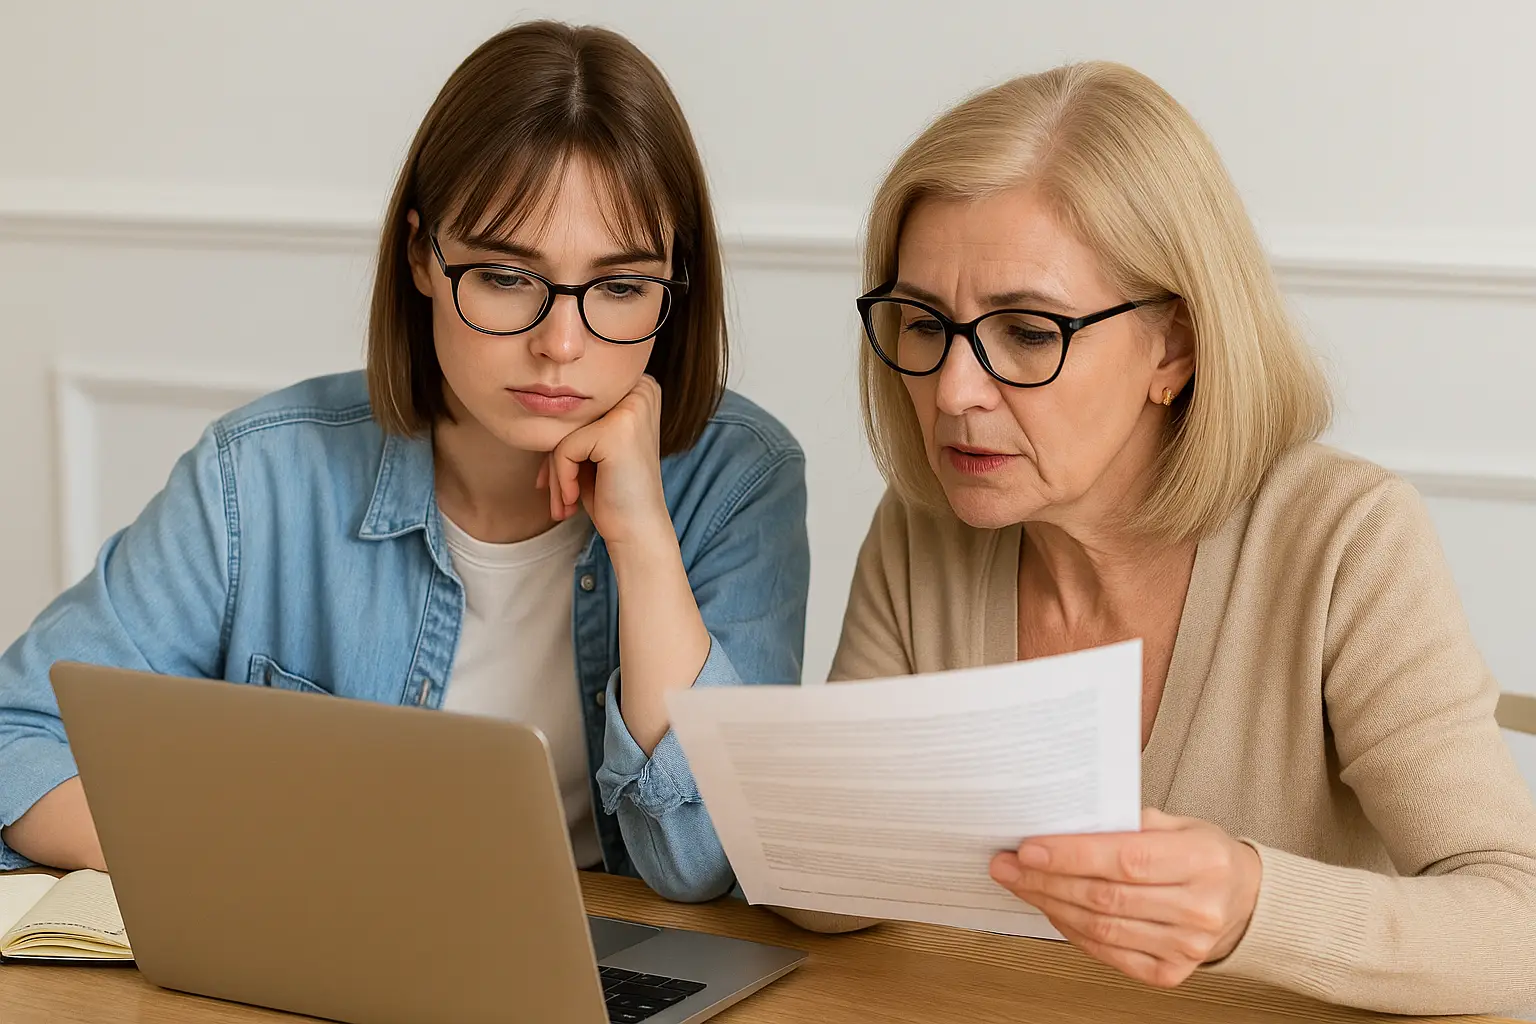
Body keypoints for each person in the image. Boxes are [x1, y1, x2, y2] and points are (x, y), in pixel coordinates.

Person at [0, 21, 809, 904]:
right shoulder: (259, 477)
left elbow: (703, 862)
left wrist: (644, 540)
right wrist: (261, 874)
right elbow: (17, 736)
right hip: (315, 949)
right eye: (506, 276)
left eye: (619, 287)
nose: (561, 344)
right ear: (424, 254)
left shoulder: (741, 480)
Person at [792, 61, 1536, 1016]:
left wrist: (1248, 908)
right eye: (924, 322)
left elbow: (1517, 922)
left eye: (1027, 330)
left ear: (1176, 348)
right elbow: (824, 894)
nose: (953, 391)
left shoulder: (1345, 539)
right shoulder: (920, 534)